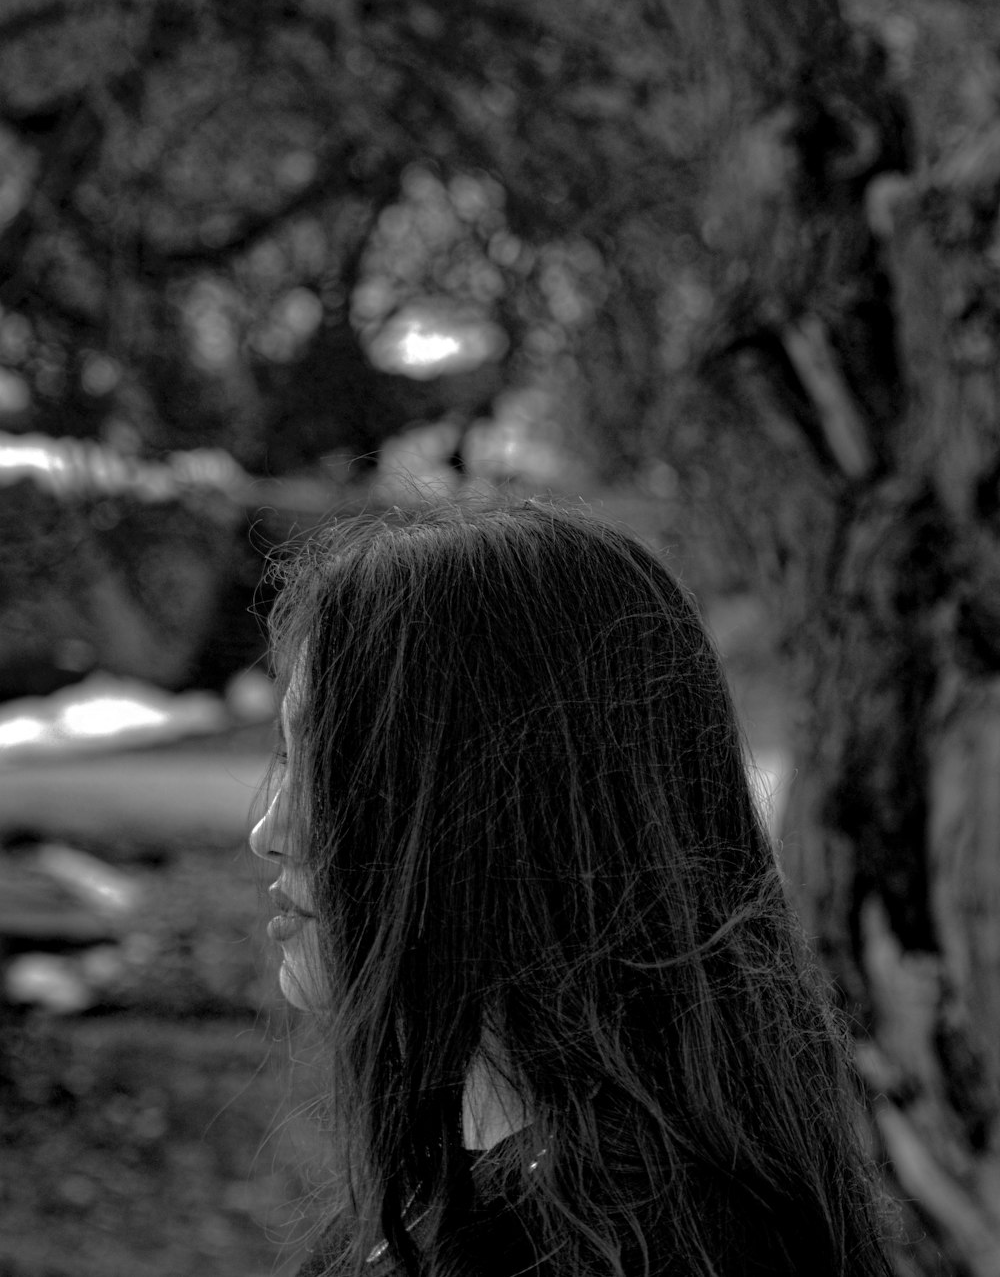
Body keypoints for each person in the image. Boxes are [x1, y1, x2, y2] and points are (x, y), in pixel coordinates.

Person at [250, 498, 897, 1277]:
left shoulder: (636, 1248)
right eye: (287, 756)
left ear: (507, 807)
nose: (272, 831)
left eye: (335, 762)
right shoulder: (468, 1196)